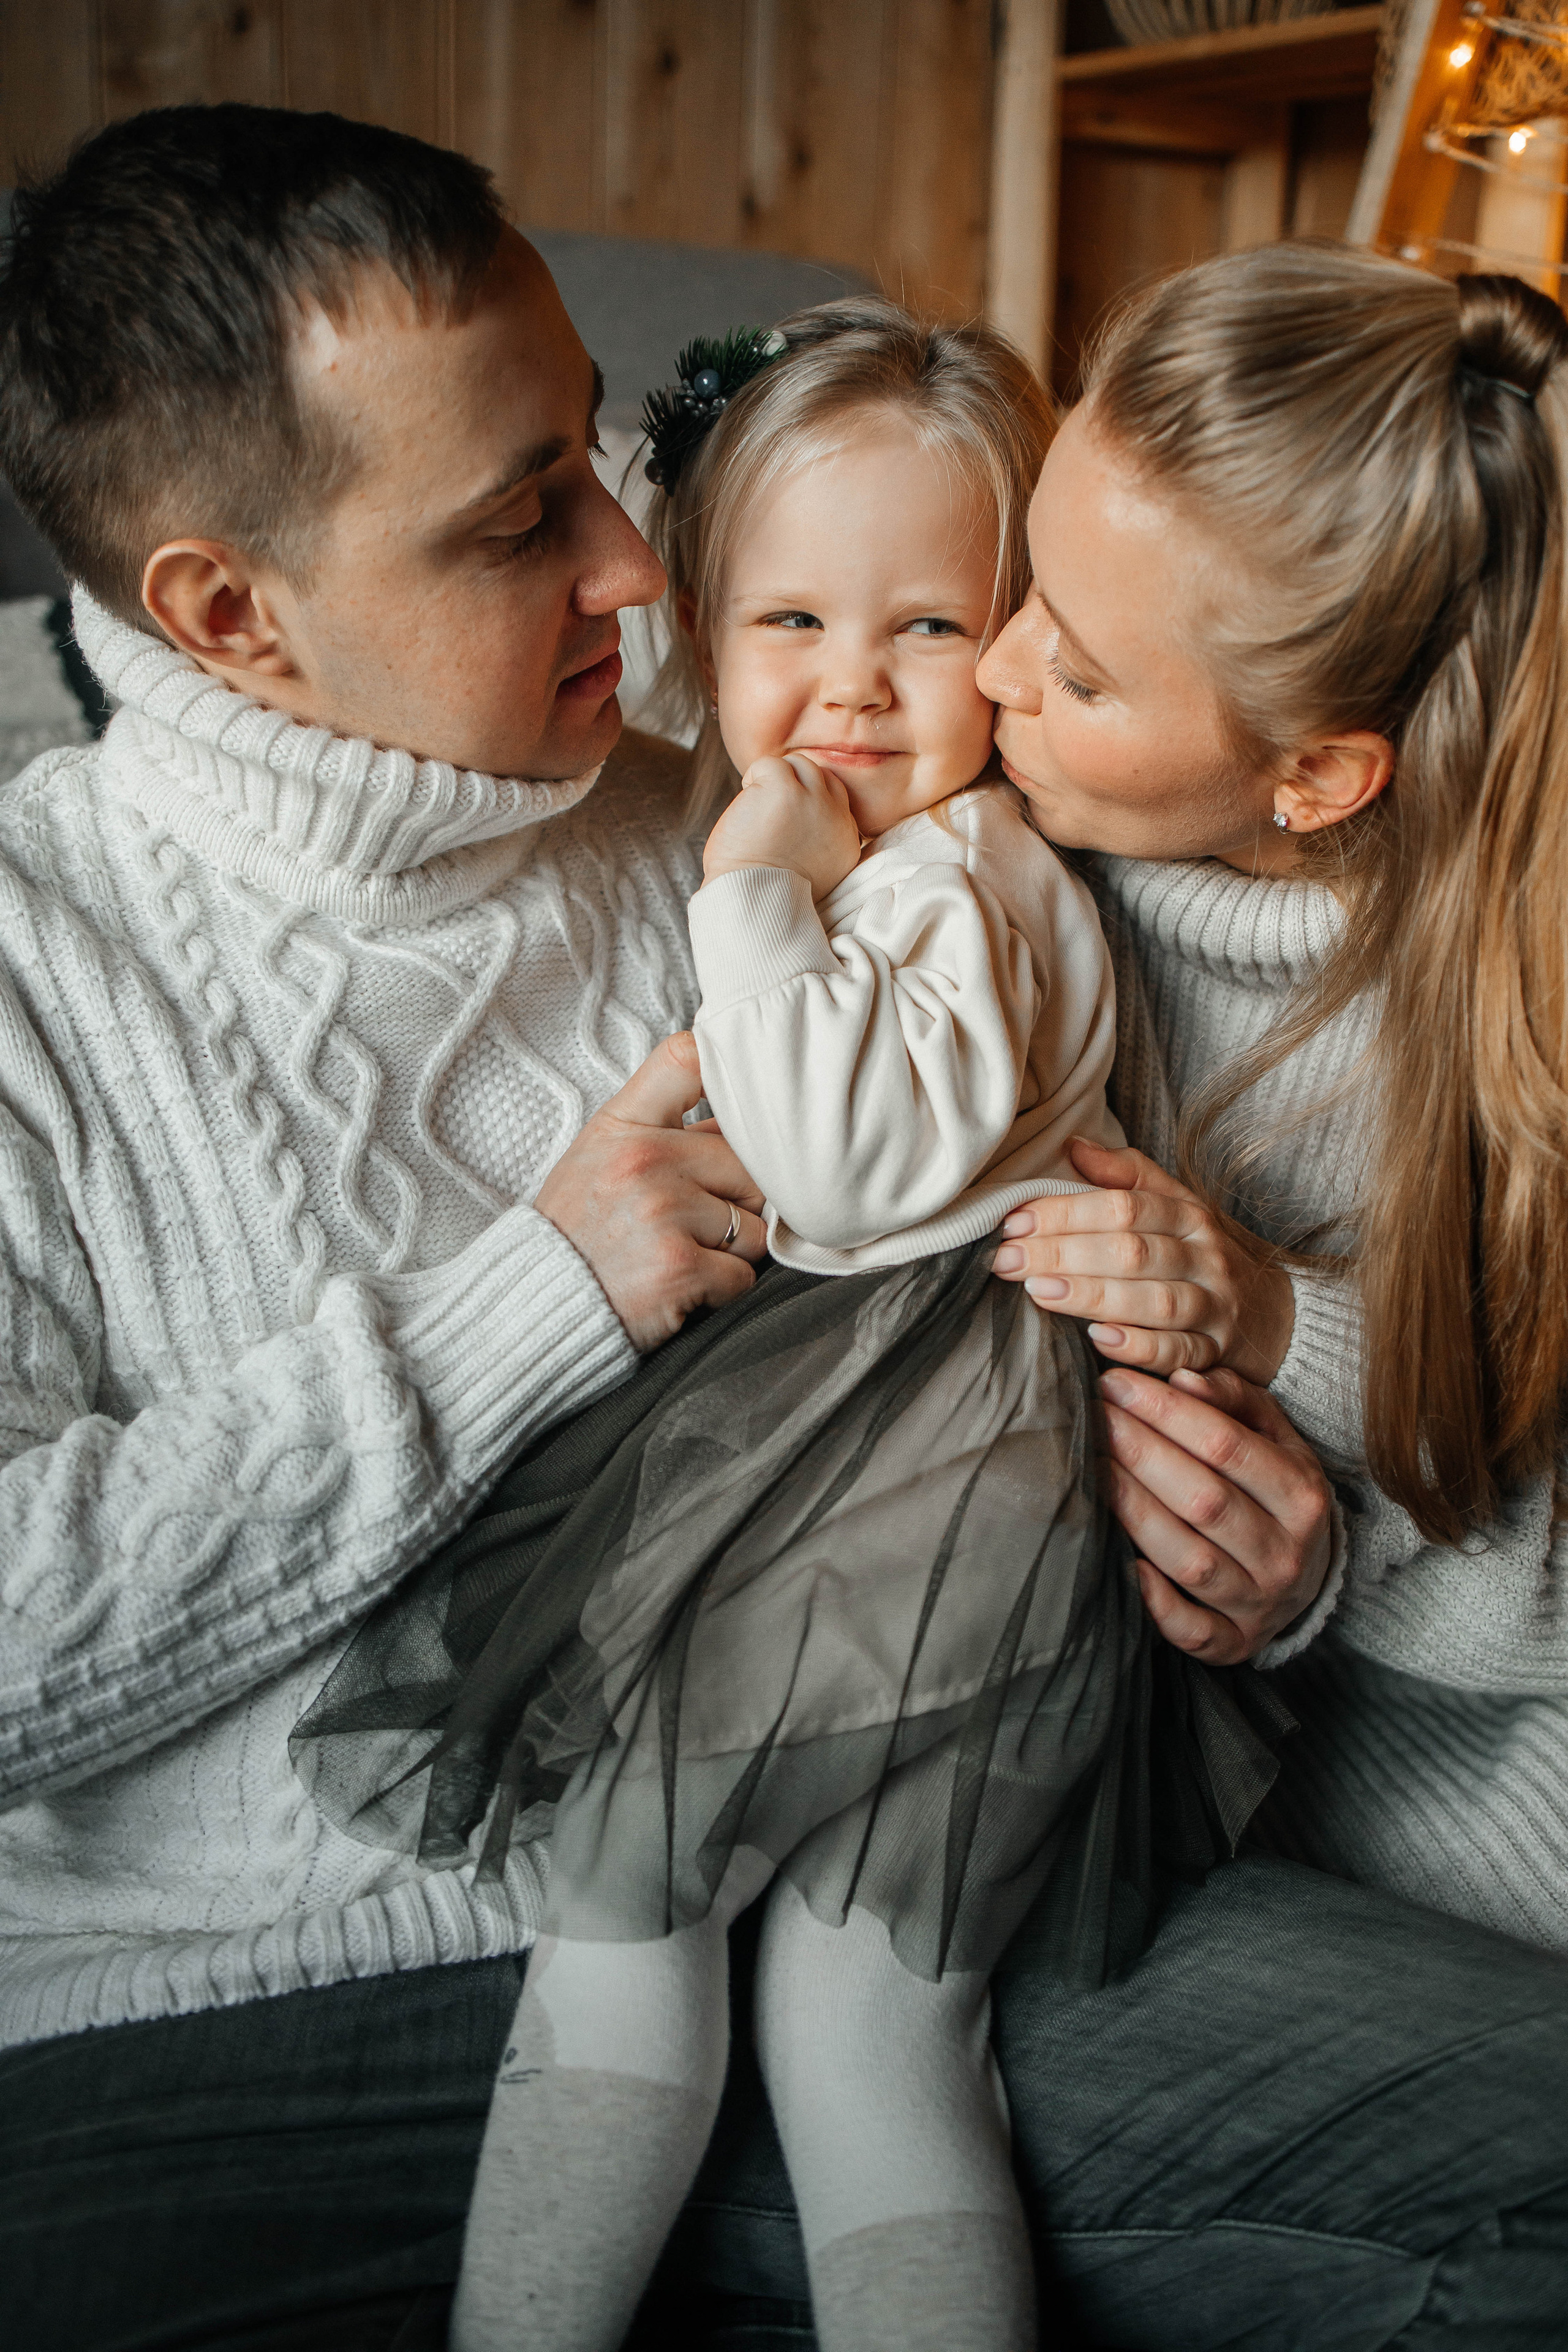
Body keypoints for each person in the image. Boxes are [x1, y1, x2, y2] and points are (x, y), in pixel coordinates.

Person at [294, 300, 1285, 2352]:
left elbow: (835, 1174)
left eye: (930, 626)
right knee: (872, 2025)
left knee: (623, 1925)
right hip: (956, 1498)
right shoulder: (900, 857)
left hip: (910, 1462)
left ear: (1014, 642)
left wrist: (752, 878)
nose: (851, 688)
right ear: (703, 628)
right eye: (792, 625)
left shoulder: (966, 882)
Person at [651, 242, 1568, 2350]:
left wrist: (1289, 1397)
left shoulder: (1489, 1023)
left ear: (1322, 774)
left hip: (1468, 1844)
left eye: (1073, 665)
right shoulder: (971, 859)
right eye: (1025, 583)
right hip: (1099, 1779)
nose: (993, 677)